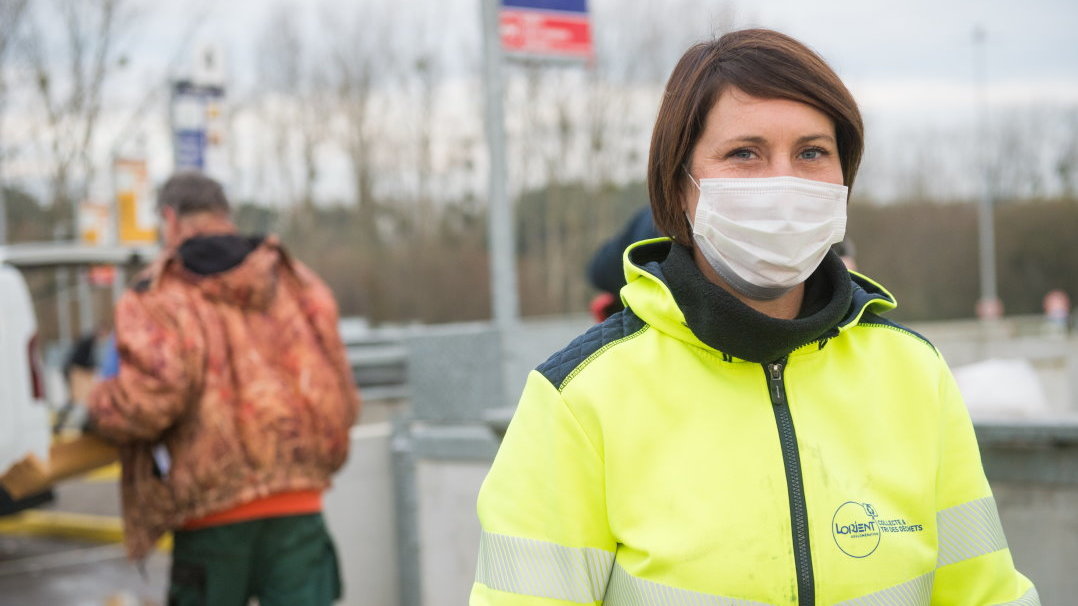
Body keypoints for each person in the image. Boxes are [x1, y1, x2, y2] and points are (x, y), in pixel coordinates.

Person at [471, 29, 1039, 605]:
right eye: (745, 153)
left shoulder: (914, 373)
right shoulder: (577, 400)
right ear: (680, 188)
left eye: (812, 152)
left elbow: (985, 592)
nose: (784, 183)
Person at [88, 171, 361, 606]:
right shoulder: (296, 281)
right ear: (224, 216)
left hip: (212, 516)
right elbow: (341, 389)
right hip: (300, 505)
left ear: (170, 218)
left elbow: (149, 401)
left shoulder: (161, 294)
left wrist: (97, 404)